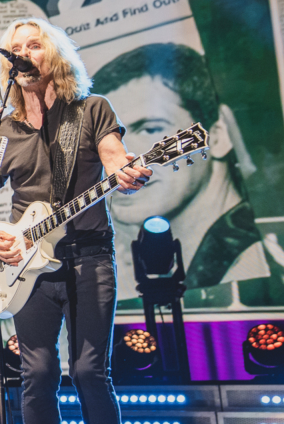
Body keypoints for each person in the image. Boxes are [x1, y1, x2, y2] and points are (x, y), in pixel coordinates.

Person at [0, 19, 153, 424]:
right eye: (14, 49)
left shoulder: (90, 110)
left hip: (89, 256)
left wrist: (126, 173)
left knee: (90, 372)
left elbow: (115, 158)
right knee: (39, 374)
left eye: (33, 45)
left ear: (53, 54)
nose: (23, 54)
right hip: (29, 266)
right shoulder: (3, 130)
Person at [90, 43, 266, 304]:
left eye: (150, 129)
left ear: (216, 137)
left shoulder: (255, 257)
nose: (122, 158)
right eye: (108, 140)